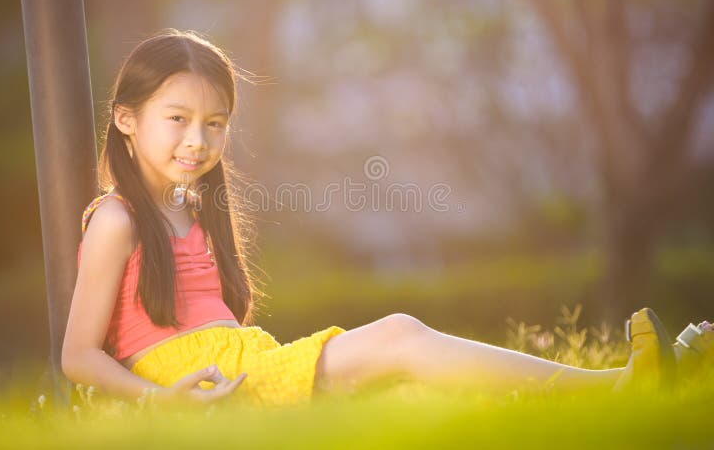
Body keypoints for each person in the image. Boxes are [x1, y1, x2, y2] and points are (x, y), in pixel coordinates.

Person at [61, 29, 712, 407]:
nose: (197, 140)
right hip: (206, 390)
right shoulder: (117, 220)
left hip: (243, 372)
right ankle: (616, 386)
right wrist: (163, 403)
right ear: (127, 119)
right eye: (177, 119)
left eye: (215, 124)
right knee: (401, 335)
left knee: (416, 387)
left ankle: (648, 379)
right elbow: (77, 355)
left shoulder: (194, 212)